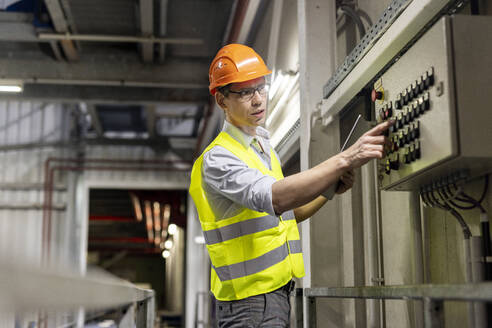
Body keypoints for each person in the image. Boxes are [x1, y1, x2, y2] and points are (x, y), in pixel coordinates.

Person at [189, 44, 392, 327]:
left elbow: (287, 215)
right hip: (250, 303)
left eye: (261, 87)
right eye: (245, 92)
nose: (258, 99)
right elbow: (277, 198)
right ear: (222, 100)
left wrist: (328, 190)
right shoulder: (218, 158)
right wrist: (345, 157)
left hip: (277, 294)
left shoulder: (262, 148)